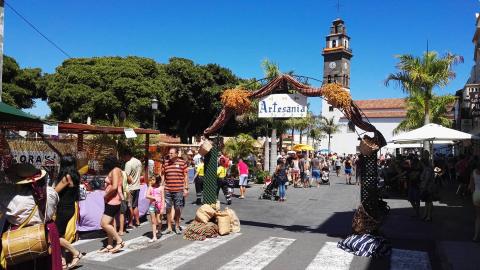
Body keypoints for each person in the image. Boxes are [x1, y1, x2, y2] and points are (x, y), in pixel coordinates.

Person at [0, 163, 61, 269]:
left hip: (21, 236)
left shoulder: (12, 198)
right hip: (48, 231)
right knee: (47, 265)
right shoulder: (51, 192)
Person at [53, 155, 84, 269]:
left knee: (55, 236)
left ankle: (76, 253)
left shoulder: (67, 177)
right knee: (60, 234)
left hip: (64, 209)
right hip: (69, 207)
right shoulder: (75, 175)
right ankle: (62, 262)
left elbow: (55, 191)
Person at [99, 155, 124, 253]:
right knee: (110, 223)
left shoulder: (115, 170)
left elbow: (114, 187)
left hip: (113, 200)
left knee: (103, 223)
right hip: (111, 200)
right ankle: (109, 244)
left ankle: (119, 240)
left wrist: (106, 195)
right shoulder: (116, 170)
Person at [162, 148, 188, 235]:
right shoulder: (165, 163)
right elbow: (163, 175)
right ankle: (169, 227)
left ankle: (177, 226)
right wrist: (162, 186)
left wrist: (186, 188)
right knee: (168, 209)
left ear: (177, 154)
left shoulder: (182, 163)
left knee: (177, 208)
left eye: (172, 153)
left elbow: (186, 176)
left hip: (178, 190)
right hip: (168, 189)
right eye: (169, 153)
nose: (170, 155)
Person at [121, 149, 142, 228]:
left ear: (127, 155)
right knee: (135, 205)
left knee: (130, 206)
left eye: (124, 157)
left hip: (130, 188)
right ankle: (137, 221)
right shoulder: (138, 161)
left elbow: (126, 176)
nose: (124, 158)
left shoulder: (128, 163)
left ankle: (130, 223)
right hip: (137, 186)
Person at [145, 177, 164, 242]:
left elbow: (163, 198)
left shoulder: (161, 188)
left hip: (159, 206)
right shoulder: (150, 187)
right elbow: (147, 195)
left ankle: (159, 230)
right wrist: (154, 197)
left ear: (157, 180)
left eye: (153, 179)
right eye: (151, 179)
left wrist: (162, 208)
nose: (151, 181)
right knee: (153, 221)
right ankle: (154, 236)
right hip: (152, 206)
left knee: (159, 221)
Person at [419, 151, 435, 222]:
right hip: (429, 186)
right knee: (427, 202)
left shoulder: (427, 168)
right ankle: (426, 215)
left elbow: (427, 179)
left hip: (428, 187)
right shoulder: (428, 167)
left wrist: (423, 188)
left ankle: (428, 216)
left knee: (429, 202)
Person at [469, 161, 480, 242]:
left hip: (476, 194)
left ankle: (475, 236)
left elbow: (471, 186)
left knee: (478, 217)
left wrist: (473, 194)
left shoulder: (474, 172)